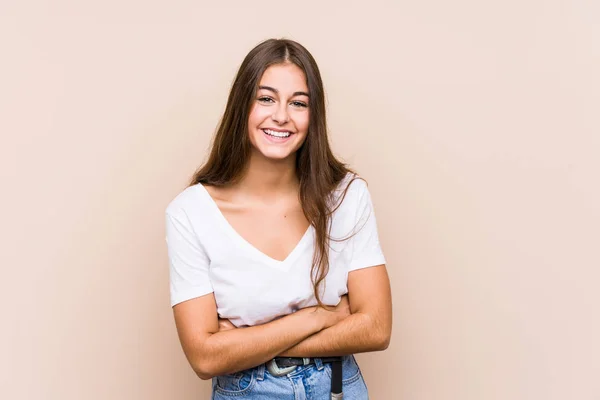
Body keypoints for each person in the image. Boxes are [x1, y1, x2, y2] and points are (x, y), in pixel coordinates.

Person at [165, 38, 392, 400]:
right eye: (266, 98)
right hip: (246, 391)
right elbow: (204, 357)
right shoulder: (189, 213)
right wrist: (316, 317)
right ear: (243, 106)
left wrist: (244, 341)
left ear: (312, 116)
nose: (282, 116)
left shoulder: (346, 196)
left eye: (298, 103)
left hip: (337, 387)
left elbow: (377, 328)